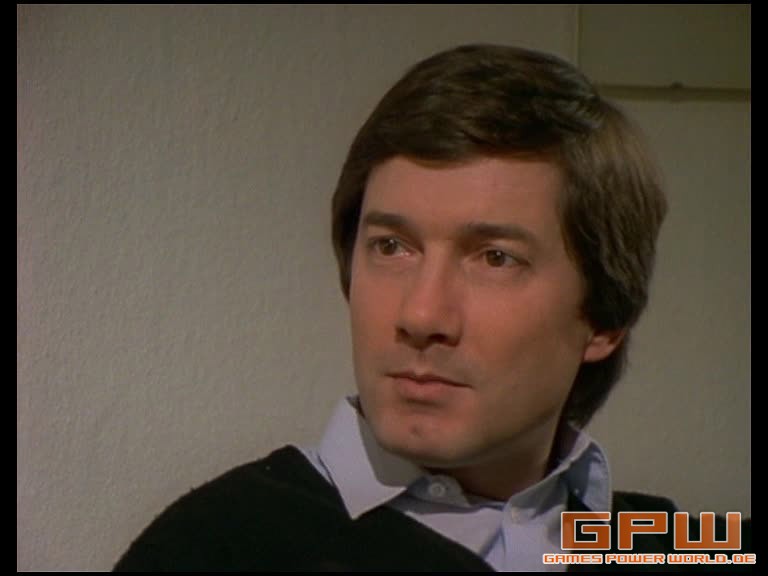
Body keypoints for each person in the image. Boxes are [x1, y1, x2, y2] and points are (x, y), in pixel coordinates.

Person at [114, 44, 750, 572]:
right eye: (392, 247)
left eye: (495, 258)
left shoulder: (680, 548)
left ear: (605, 317)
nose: (421, 315)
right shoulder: (216, 549)